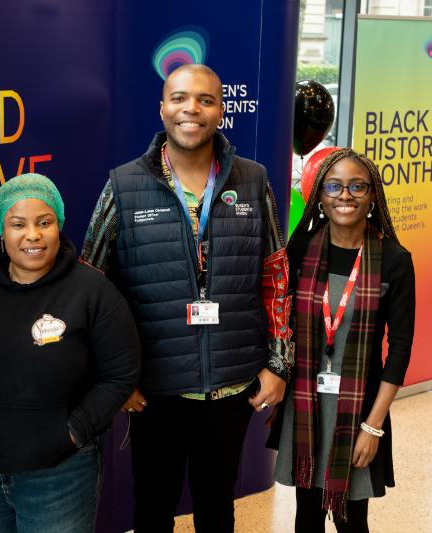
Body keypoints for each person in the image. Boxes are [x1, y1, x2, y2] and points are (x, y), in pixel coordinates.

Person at [81, 63, 293, 533]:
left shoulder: (254, 181)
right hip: (156, 388)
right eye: (179, 98)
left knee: (217, 506)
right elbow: (88, 287)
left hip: (232, 385)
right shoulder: (123, 186)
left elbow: (276, 274)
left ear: (221, 110)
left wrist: (278, 364)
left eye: (205, 99)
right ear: (162, 109)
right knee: (153, 507)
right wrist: (115, 378)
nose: (190, 109)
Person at [0, 173, 140, 533]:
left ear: (59, 225)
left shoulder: (91, 292)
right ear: (1, 230)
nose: (33, 235)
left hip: (59, 478)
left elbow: (121, 373)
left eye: (44, 222)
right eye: (17, 224)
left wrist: (73, 432)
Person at [271, 148, 416, 532]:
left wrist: (373, 427)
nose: (345, 196)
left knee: (352, 521)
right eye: (334, 186)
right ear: (319, 195)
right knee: (307, 516)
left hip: (359, 409)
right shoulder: (301, 250)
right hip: (306, 405)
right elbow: (279, 320)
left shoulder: (394, 260)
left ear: (373, 196)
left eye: (357, 186)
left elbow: (399, 350)